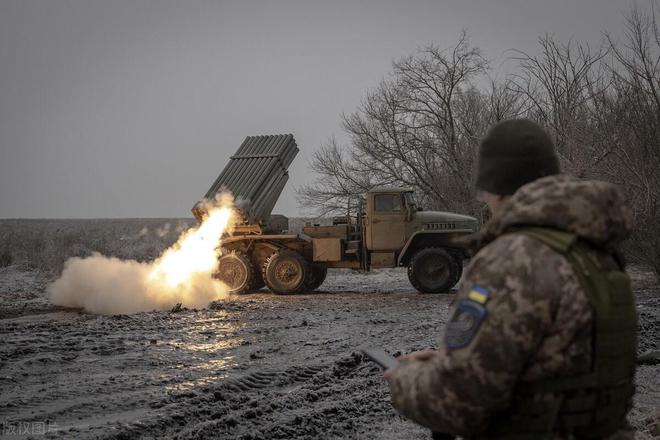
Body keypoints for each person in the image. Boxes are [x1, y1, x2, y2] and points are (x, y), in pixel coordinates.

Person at [384, 118, 637, 439]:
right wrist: (454, 361)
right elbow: (566, 366)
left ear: (494, 186)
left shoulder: (512, 260)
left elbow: (459, 402)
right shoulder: (597, 252)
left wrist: (407, 378)